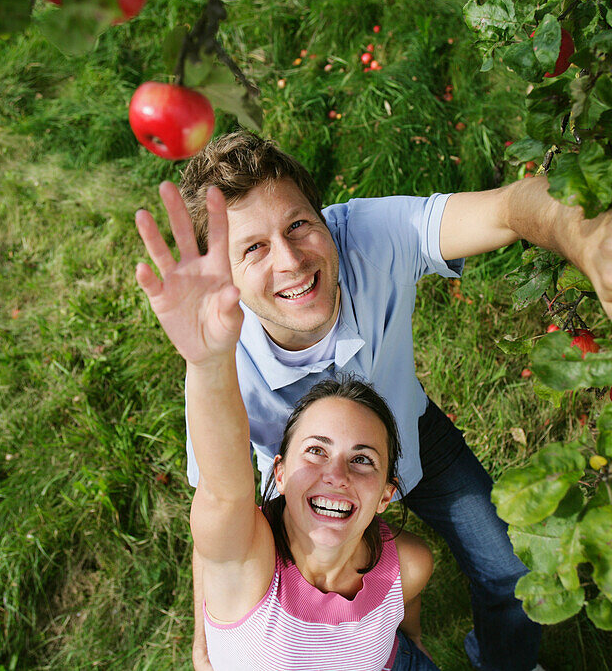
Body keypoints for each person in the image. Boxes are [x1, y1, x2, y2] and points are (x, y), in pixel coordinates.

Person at [144, 131, 612, 671]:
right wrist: (211, 633)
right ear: (229, 278)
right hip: (309, 485)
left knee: (510, 565)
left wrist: (580, 232)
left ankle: (502, 661)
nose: (289, 260)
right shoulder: (219, 362)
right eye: (254, 249)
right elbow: (219, 508)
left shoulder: (367, 233)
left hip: (412, 433)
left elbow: (508, 208)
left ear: (325, 219)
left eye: (298, 225)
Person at [135, 185, 440, 670]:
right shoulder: (250, 573)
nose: (335, 473)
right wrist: (210, 363)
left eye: (363, 458)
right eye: (315, 450)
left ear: (386, 494)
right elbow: (222, 493)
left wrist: (414, 644)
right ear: (276, 474)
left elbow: (404, 616)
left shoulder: (409, 566)